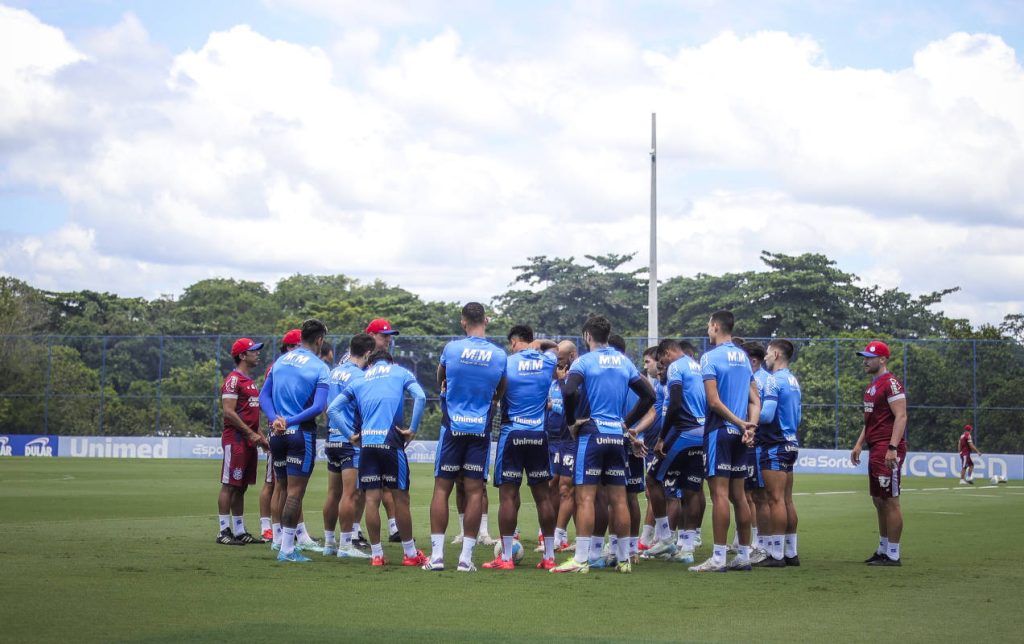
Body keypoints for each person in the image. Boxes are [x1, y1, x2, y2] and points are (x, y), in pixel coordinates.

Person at [552, 316, 654, 574]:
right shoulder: (624, 362)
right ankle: (623, 559)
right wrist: (625, 422)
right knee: (619, 500)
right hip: (616, 437)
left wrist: (572, 422)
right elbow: (649, 395)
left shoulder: (584, 361)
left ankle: (582, 559)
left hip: (592, 433)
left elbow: (568, 391)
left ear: (587, 335)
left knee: (586, 498)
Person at [423, 303, 507, 572]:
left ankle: (436, 558)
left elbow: (441, 378)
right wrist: (490, 399)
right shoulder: (498, 354)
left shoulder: (452, 349)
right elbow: (501, 390)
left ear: (463, 322)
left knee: (442, 489)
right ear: (486, 320)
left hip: (452, 427)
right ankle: (465, 559)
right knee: (474, 492)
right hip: (479, 429)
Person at [328, 349, 428, 567]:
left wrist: (350, 435)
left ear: (369, 364)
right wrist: (412, 428)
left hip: (367, 446)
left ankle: (377, 555)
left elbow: (333, 409)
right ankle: (410, 554)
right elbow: (420, 396)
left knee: (371, 499)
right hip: (391, 442)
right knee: (400, 498)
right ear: (389, 361)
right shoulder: (399, 372)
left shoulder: (360, 378)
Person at [689, 310, 760, 573]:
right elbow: (756, 400)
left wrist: (740, 423)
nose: (708, 330)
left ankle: (718, 557)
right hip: (741, 435)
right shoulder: (743, 357)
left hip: (720, 432)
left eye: (709, 326)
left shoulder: (710, 357)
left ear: (716, 326)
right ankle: (743, 555)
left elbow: (713, 401)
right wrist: (749, 426)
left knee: (719, 495)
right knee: (739, 496)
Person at [483, 325, 558, 570]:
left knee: (508, 496)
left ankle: (505, 558)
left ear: (514, 342)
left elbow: (495, 393)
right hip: (538, 434)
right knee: (543, 497)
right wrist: (539, 343)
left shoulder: (507, 362)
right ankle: (549, 557)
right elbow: (559, 347)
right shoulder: (547, 361)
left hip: (512, 432)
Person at [259, 319, 332, 563]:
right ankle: (288, 549)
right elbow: (319, 406)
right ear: (320, 339)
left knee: (280, 487)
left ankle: (279, 540)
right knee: (295, 493)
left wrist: (275, 420)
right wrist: (290, 421)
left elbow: (264, 396)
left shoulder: (281, 361)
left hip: (276, 434)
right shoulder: (320, 367)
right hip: (301, 433)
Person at [644, 339, 707, 564]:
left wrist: (662, 438)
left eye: (663, 360)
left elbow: (676, 403)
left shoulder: (677, 367)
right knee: (692, 489)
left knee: (652, 479)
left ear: (668, 353)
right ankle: (687, 548)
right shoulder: (697, 366)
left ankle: (665, 537)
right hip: (702, 433)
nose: (663, 366)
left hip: (683, 432)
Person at [850, 340, 907, 567]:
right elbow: (871, 422)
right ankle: (883, 549)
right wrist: (858, 444)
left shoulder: (891, 383)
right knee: (878, 500)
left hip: (887, 448)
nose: (865, 361)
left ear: (882, 359)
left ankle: (893, 554)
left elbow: (901, 416)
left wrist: (892, 448)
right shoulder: (872, 386)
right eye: (864, 357)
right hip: (876, 447)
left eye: (869, 357)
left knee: (890, 500)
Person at [322, 333, 375, 558]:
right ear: (368, 353)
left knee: (333, 493)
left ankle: (328, 543)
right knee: (350, 494)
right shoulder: (360, 376)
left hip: (331, 438)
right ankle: (345, 545)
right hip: (348, 441)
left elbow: (327, 407)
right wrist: (353, 434)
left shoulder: (334, 372)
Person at [217, 337, 270, 545]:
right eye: (253, 351)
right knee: (229, 484)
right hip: (236, 439)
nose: (257, 353)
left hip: (249, 440)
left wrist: (261, 438)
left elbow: (252, 416)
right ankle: (223, 531)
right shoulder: (233, 380)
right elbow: (229, 412)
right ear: (242, 355)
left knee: (241, 486)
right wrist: (249, 434)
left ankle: (239, 531)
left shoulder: (250, 382)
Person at [755, 339, 801, 567]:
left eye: (767, 354)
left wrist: (748, 417)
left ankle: (776, 554)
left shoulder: (773, 381)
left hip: (775, 444)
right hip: (791, 443)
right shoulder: (793, 380)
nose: (765, 357)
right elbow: (798, 416)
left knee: (774, 500)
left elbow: (766, 416)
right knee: (787, 500)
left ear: (776, 354)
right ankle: (791, 552)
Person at [259, 328, 301, 542]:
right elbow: (265, 397)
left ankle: (290, 532)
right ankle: (270, 528)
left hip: (290, 428)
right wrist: (275, 420)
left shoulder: (290, 367)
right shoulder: (278, 367)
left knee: (290, 485)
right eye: (299, 345)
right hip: (278, 429)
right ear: (290, 347)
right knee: (273, 482)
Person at [366, 318, 403, 543]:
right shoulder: (358, 359)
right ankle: (353, 534)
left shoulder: (386, 364)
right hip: (366, 433)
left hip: (387, 432)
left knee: (389, 484)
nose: (388, 340)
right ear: (370, 335)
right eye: (383, 335)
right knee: (365, 491)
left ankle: (393, 528)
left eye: (389, 336)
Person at [741, 341, 777, 561]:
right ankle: (757, 542)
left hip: (761, 445)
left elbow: (768, 414)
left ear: (753, 360)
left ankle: (763, 545)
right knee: (752, 494)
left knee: (761, 497)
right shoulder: (750, 379)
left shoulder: (766, 380)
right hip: (750, 443)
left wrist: (745, 415)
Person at [550, 340, 579, 553]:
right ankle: (553, 533)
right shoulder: (554, 380)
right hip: (555, 439)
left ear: (572, 356)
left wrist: (561, 384)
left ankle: (559, 536)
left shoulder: (576, 377)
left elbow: (571, 407)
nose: (558, 365)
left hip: (572, 439)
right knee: (553, 484)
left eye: (560, 360)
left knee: (566, 487)